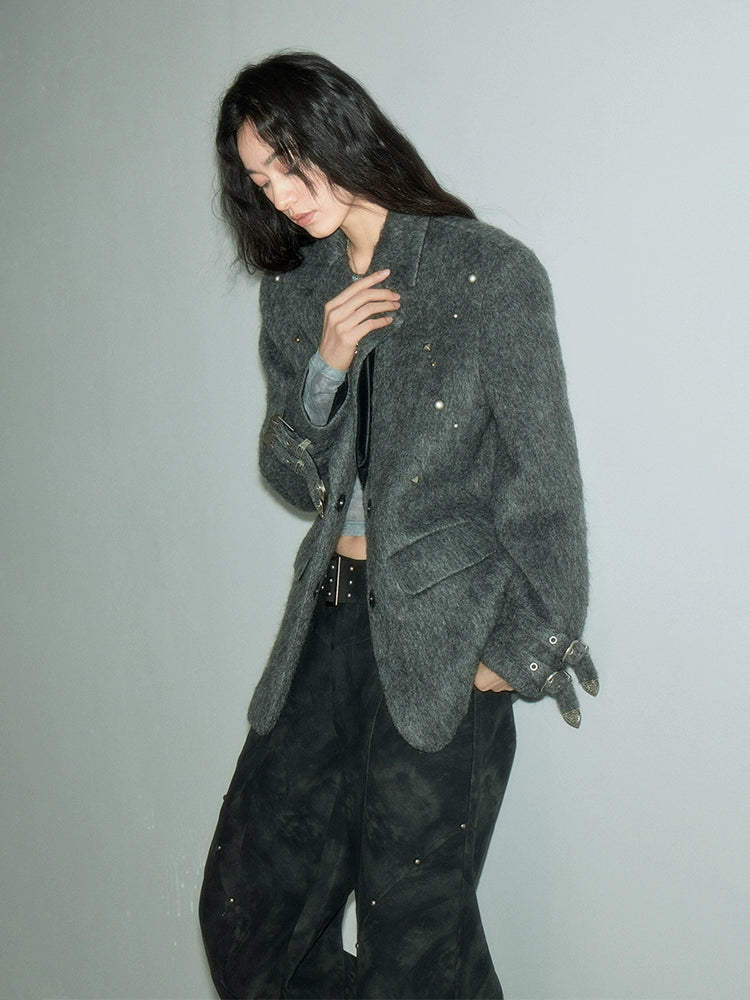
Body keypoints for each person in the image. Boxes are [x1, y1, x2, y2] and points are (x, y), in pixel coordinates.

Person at [199, 51, 599, 1000]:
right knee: (246, 908)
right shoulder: (297, 292)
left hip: (442, 642)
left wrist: (515, 648)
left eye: (288, 164)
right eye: (259, 180)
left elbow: (545, 480)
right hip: (326, 623)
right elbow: (289, 477)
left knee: (412, 935)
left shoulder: (487, 272)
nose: (279, 195)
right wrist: (325, 369)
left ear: (342, 132)